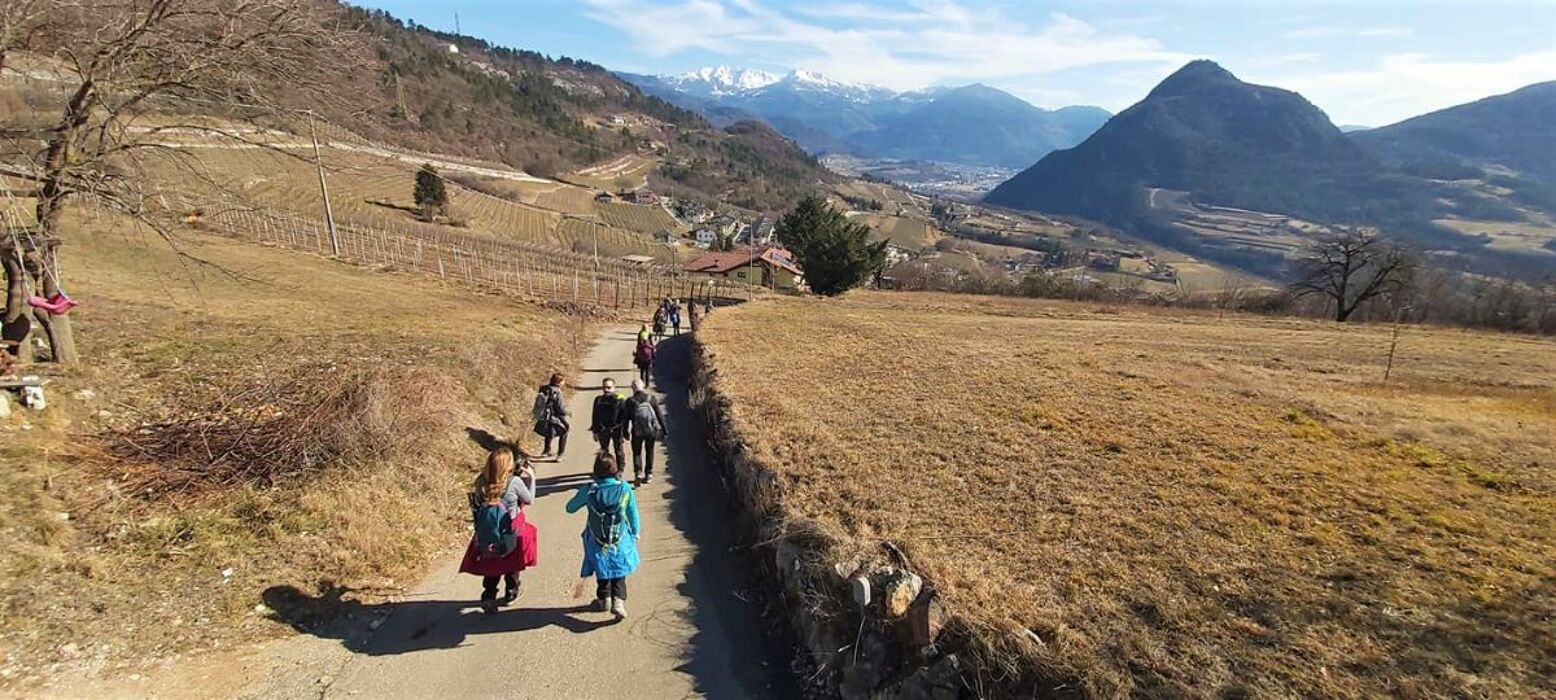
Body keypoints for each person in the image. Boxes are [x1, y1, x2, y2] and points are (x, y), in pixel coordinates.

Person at [458, 447, 538, 613]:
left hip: (487, 532)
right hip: (510, 530)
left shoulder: (480, 481)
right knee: (512, 562)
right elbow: (528, 499)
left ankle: (488, 594)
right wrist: (531, 478)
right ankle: (511, 591)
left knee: (491, 565)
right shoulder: (513, 482)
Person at [565, 452, 640, 619]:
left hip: (596, 539)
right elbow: (632, 513)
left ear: (595, 471)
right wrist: (635, 532)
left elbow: (569, 508)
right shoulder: (624, 488)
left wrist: (582, 495)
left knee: (601, 566)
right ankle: (618, 600)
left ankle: (603, 598)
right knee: (619, 568)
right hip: (619, 538)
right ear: (615, 470)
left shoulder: (590, 490)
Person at [624, 378, 665, 484]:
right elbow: (659, 415)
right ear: (643, 386)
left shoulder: (630, 401)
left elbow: (626, 418)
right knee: (649, 451)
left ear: (633, 388)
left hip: (636, 431)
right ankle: (649, 473)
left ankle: (638, 472)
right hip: (650, 431)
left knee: (637, 452)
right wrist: (664, 430)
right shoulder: (651, 398)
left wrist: (625, 432)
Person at [589, 377, 627, 467]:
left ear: (614, 388)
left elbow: (624, 418)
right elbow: (595, 416)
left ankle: (620, 469)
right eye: (604, 387)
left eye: (609, 387)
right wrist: (595, 431)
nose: (606, 390)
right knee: (604, 451)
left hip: (616, 430)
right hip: (603, 429)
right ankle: (604, 469)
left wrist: (624, 432)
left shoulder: (620, 400)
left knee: (619, 450)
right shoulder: (598, 400)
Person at [533, 373, 569, 458]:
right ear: (559, 382)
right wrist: (567, 412)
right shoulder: (557, 392)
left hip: (545, 416)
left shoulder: (544, 389)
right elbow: (560, 408)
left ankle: (546, 451)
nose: (563, 383)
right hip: (556, 416)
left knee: (549, 433)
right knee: (565, 430)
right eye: (563, 381)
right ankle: (560, 454)